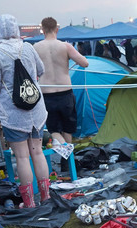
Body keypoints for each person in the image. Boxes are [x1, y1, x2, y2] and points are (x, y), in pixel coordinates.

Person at [0, 14, 50, 208]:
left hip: (14, 113)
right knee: (37, 152)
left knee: (22, 157)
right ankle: (46, 198)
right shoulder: (29, 47)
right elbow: (41, 70)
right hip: (36, 108)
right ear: (16, 30)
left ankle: (29, 203)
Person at [34, 17, 89, 147]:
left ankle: (65, 153)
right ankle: (67, 156)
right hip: (65, 93)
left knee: (54, 129)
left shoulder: (36, 47)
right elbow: (85, 63)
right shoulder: (65, 46)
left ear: (42, 30)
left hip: (47, 94)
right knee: (67, 129)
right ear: (57, 29)